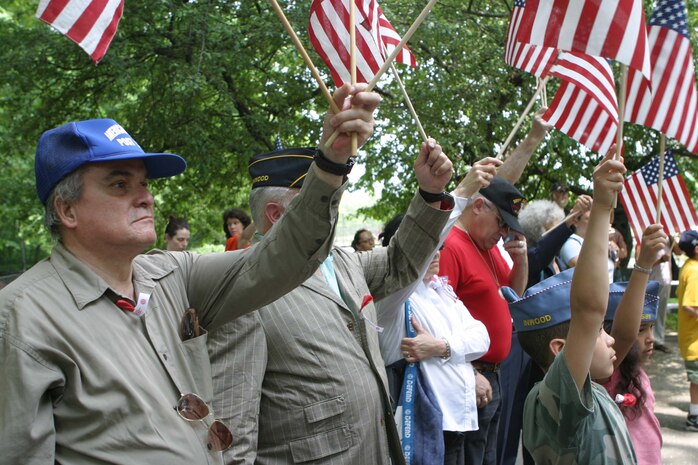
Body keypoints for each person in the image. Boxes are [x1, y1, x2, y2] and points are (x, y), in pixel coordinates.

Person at [0, 83, 381, 464]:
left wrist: (330, 165)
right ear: (67, 211)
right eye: (119, 184)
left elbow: (284, 257)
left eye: (145, 183)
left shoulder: (171, 275)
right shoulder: (21, 318)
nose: (146, 196)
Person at [208, 138, 454, 465]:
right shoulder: (244, 290)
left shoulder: (340, 261)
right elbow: (232, 428)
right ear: (277, 214)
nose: (332, 208)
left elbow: (400, 263)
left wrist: (430, 193)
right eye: (321, 199)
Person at [504, 148, 637, 463]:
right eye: (599, 334)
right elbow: (589, 312)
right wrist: (602, 206)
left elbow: (627, 334)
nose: (611, 338)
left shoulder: (590, 390)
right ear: (561, 348)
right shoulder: (553, 401)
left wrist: (642, 267)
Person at [438, 175, 529, 465]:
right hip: (470, 374)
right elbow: (437, 317)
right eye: (501, 223)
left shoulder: (487, 248)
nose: (504, 233)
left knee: (487, 457)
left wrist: (522, 260)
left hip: (492, 373)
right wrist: (469, 372)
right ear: (478, 205)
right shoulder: (452, 245)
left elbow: (515, 296)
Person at [599, 224, 666, 465]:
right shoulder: (607, 372)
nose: (651, 338)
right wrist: (644, 264)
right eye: (640, 330)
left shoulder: (638, 373)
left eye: (650, 328)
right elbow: (624, 335)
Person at [677, 229, 698, 432]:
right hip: (695, 341)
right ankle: (694, 417)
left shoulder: (690, 267)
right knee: (697, 381)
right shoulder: (694, 271)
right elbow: (689, 306)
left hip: (691, 338)